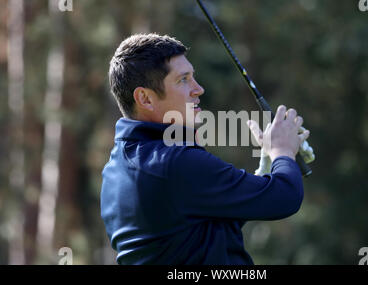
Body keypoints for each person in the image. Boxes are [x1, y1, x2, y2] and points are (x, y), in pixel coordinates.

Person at [101, 33, 310, 265]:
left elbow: (207, 221)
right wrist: (283, 152)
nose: (198, 89)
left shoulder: (115, 169)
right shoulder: (176, 162)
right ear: (145, 98)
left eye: (193, 77)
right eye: (183, 80)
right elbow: (284, 197)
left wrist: (267, 170)